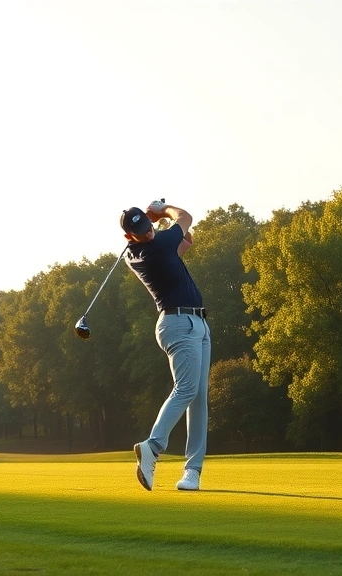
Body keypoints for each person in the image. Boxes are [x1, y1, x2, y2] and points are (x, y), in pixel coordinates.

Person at [121, 201, 211, 491]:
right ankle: (154, 446)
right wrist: (162, 209)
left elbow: (185, 243)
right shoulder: (158, 246)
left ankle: (192, 472)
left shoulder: (134, 255)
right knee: (185, 389)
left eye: (148, 228)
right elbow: (185, 217)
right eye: (141, 232)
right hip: (180, 324)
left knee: (198, 397)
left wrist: (152, 221)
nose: (148, 233)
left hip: (196, 324)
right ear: (129, 237)